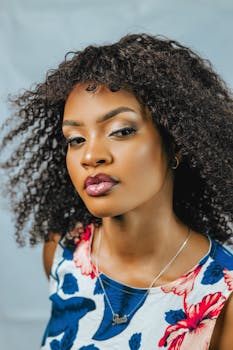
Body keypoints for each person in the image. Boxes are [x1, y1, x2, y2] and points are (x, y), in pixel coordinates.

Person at [0, 33, 232, 350]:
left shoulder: (223, 297)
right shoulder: (63, 251)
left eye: (121, 131)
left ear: (175, 141)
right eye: (76, 139)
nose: (91, 156)